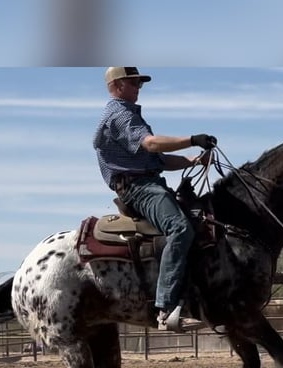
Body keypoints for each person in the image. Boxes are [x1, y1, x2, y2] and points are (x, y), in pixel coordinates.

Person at [93, 66, 217, 333]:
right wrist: (192, 140)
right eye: (133, 82)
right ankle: (166, 308)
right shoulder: (119, 114)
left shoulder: (129, 115)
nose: (139, 86)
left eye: (140, 83)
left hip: (148, 182)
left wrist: (193, 161)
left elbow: (158, 160)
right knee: (180, 227)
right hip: (138, 187)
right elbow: (151, 145)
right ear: (117, 85)